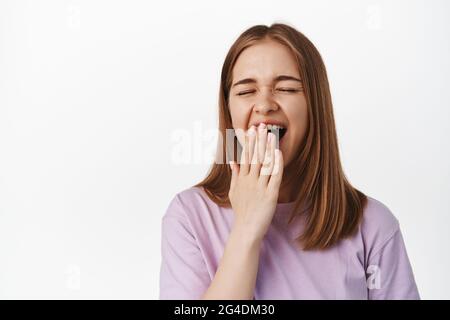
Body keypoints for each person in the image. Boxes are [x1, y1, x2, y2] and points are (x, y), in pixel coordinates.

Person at [159, 23, 420, 300]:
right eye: (246, 91)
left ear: (314, 106)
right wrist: (247, 227)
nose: (264, 104)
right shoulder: (188, 215)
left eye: (286, 88)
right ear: (229, 108)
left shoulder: (373, 224)